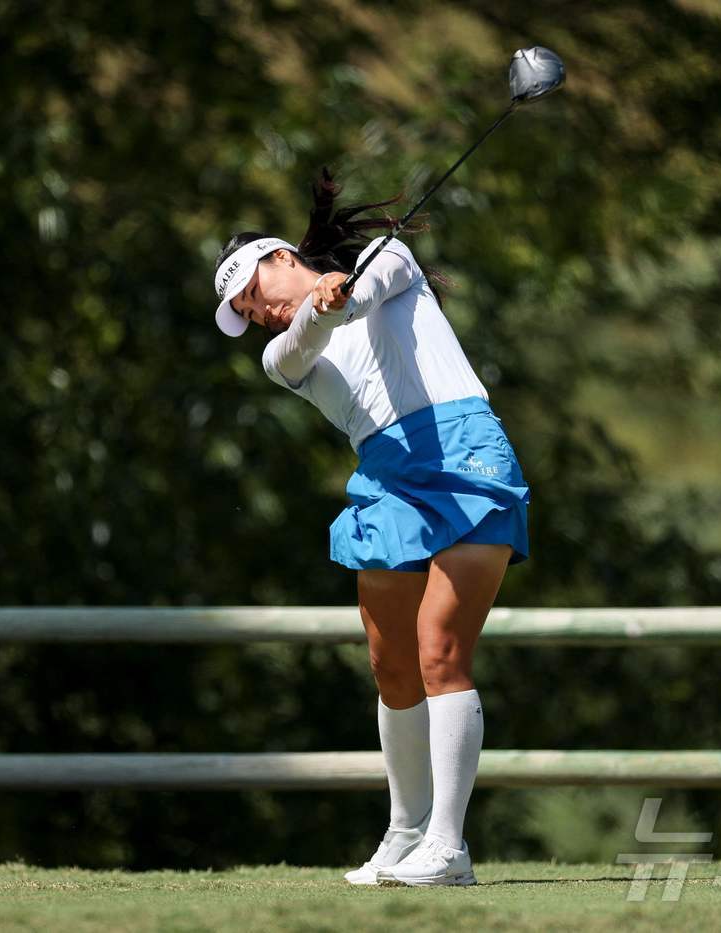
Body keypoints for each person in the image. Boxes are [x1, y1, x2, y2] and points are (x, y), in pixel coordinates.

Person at [210, 167, 531, 887]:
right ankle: (404, 831)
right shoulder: (278, 355)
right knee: (392, 667)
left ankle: (448, 847)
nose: (258, 313)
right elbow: (302, 341)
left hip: (465, 454)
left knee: (439, 648)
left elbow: (373, 286)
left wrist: (342, 291)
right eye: (246, 312)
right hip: (386, 478)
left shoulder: (389, 260)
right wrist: (318, 308)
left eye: (255, 293)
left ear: (282, 258)